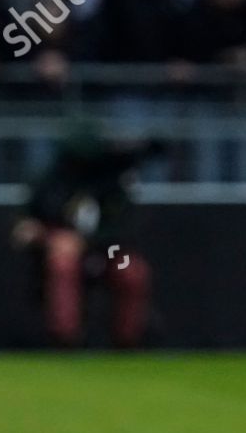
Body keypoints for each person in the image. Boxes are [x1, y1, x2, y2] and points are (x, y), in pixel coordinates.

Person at [11, 133, 159, 349]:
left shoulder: (113, 184)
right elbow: (24, 225)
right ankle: (66, 340)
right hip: (61, 253)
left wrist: (91, 243)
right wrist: (43, 235)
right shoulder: (49, 182)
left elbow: (123, 230)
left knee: (132, 269)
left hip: (110, 252)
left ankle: (128, 341)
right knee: (64, 258)